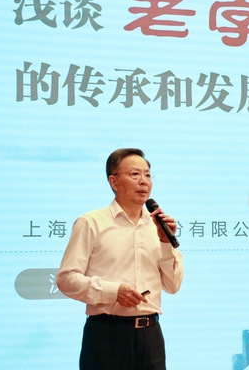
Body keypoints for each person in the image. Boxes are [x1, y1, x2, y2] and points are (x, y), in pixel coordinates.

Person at [57, 148, 183, 370]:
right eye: (135, 174)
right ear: (113, 181)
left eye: (147, 175)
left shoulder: (158, 226)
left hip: (150, 337)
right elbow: (66, 279)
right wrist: (113, 292)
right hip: (106, 335)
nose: (143, 181)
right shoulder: (91, 222)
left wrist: (165, 242)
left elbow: (173, 285)